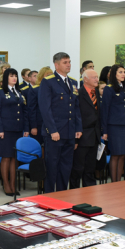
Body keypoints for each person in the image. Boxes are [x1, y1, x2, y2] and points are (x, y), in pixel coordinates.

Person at [39, 53, 82, 193]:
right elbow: (45, 109)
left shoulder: (73, 82)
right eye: (65, 62)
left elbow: (76, 108)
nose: (69, 65)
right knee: (52, 167)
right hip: (55, 133)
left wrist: (78, 128)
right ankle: (49, 196)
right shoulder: (48, 82)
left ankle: (62, 195)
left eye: (69, 62)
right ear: (56, 65)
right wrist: (52, 130)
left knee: (65, 167)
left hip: (69, 132)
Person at [0, 68, 29, 196]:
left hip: (17, 129)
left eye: (15, 76)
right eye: (11, 76)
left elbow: (24, 112)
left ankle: (13, 185)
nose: (14, 78)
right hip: (5, 130)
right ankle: (6, 185)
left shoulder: (19, 92)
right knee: (6, 157)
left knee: (14, 158)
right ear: (6, 77)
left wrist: (26, 129)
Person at [70, 69, 100, 188]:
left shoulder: (96, 92)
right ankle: (74, 190)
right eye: (94, 77)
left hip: (94, 135)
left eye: (97, 77)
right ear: (85, 79)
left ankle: (89, 190)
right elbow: (75, 116)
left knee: (90, 167)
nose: (97, 79)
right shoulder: (78, 93)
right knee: (78, 167)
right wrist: (76, 139)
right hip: (82, 136)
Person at [101, 65, 125, 183]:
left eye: (124, 72)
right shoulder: (109, 88)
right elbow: (105, 110)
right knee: (115, 154)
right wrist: (104, 130)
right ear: (114, 74)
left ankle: (119, 181)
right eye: (120, 72)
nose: (123, 74)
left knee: (122, 154)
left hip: (124, 125)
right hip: (114, 126)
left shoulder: (124, 88)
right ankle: (114, 182)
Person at [27, 66, 52, 148]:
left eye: (51, 75)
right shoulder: (35, 89)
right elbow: (32, 109)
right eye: (47, 75)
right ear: (41, 76)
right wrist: (33, 126)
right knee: (37, 147)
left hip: (51, 124)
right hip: (39, 124)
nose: (50, 77)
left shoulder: (54, 89)